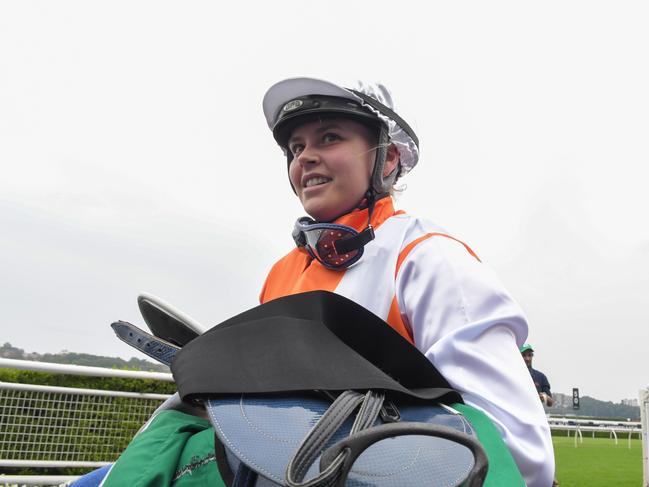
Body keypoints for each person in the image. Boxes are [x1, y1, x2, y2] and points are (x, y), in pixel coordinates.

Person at [260, 77, 555, 487]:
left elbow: (518, 452)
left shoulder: (429, 258)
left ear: (386, 160)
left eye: (328, 138)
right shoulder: (280, 272)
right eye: (296, 148)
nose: (305, 157)